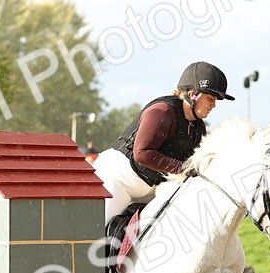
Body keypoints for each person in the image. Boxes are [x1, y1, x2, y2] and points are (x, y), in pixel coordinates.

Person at [93, 61, 233, 225]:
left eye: (215, 100)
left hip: (151, 189)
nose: (213, 105)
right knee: (99, 238)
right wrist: (184, 168)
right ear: (192, 94)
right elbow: (143, 153)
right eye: (210, 98)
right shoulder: (162, 111)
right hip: (119, 179)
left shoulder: (198, 127)